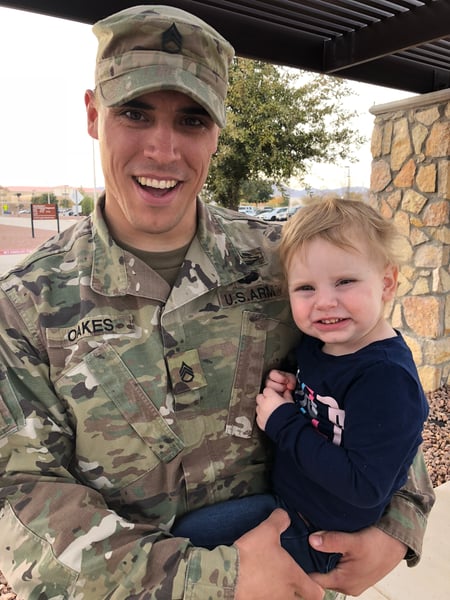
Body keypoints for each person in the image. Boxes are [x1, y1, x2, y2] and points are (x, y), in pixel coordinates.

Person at [0, 5, 434, 600]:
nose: (163, 148)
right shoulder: (26, 303)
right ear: (94, 114)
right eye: (135, 112)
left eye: (191, 120)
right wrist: (214, 581)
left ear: (217, 130)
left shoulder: (283, 266)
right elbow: (20, 493)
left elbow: (375, 384)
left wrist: (397, 520)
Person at [172, 196, 429, 574]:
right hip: (288, 508)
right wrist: (298, 386)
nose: (325, 302)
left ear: (387, 283)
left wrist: (282, 421)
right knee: (184, 537)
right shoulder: (326, 346)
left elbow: (364, 485)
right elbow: (336, 406)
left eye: (345, 281)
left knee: (194, 554)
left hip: (317, 535)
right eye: (305, 288)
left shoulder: (387, 379)